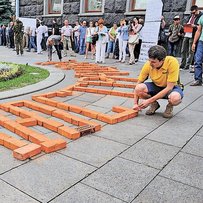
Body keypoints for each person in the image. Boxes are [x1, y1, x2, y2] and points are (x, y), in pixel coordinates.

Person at [133, 45, 183, 118]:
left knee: (175, 98)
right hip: (156, 86)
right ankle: (154, 104)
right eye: (149, 60)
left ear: (162, 60)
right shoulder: (148, 64)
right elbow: (138, 83)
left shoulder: (172, 62)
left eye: (153, 62)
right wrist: (135, 104)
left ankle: (170, 106)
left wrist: (148, 101)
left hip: (171, 88)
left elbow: (169, 87)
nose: (150, 63)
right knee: (139, 88)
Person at [180, 5, 202, 70]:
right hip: (187, 33)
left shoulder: (201, 16)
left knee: (191, 51)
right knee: (183, 50)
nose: (193, 14)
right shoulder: (191, 15)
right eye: (192, 13)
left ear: (197, 10)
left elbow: (199, 27)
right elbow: (187, 22)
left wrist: (194, 26)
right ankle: (182, 64)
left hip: (193, 35)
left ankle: (187, 65)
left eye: (194, 12)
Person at [191, 14, 203, 86]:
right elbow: (198, 30)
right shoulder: (202, 17)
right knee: (197, 60)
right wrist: (194, 43)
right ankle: (198, 79)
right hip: (201, 41)